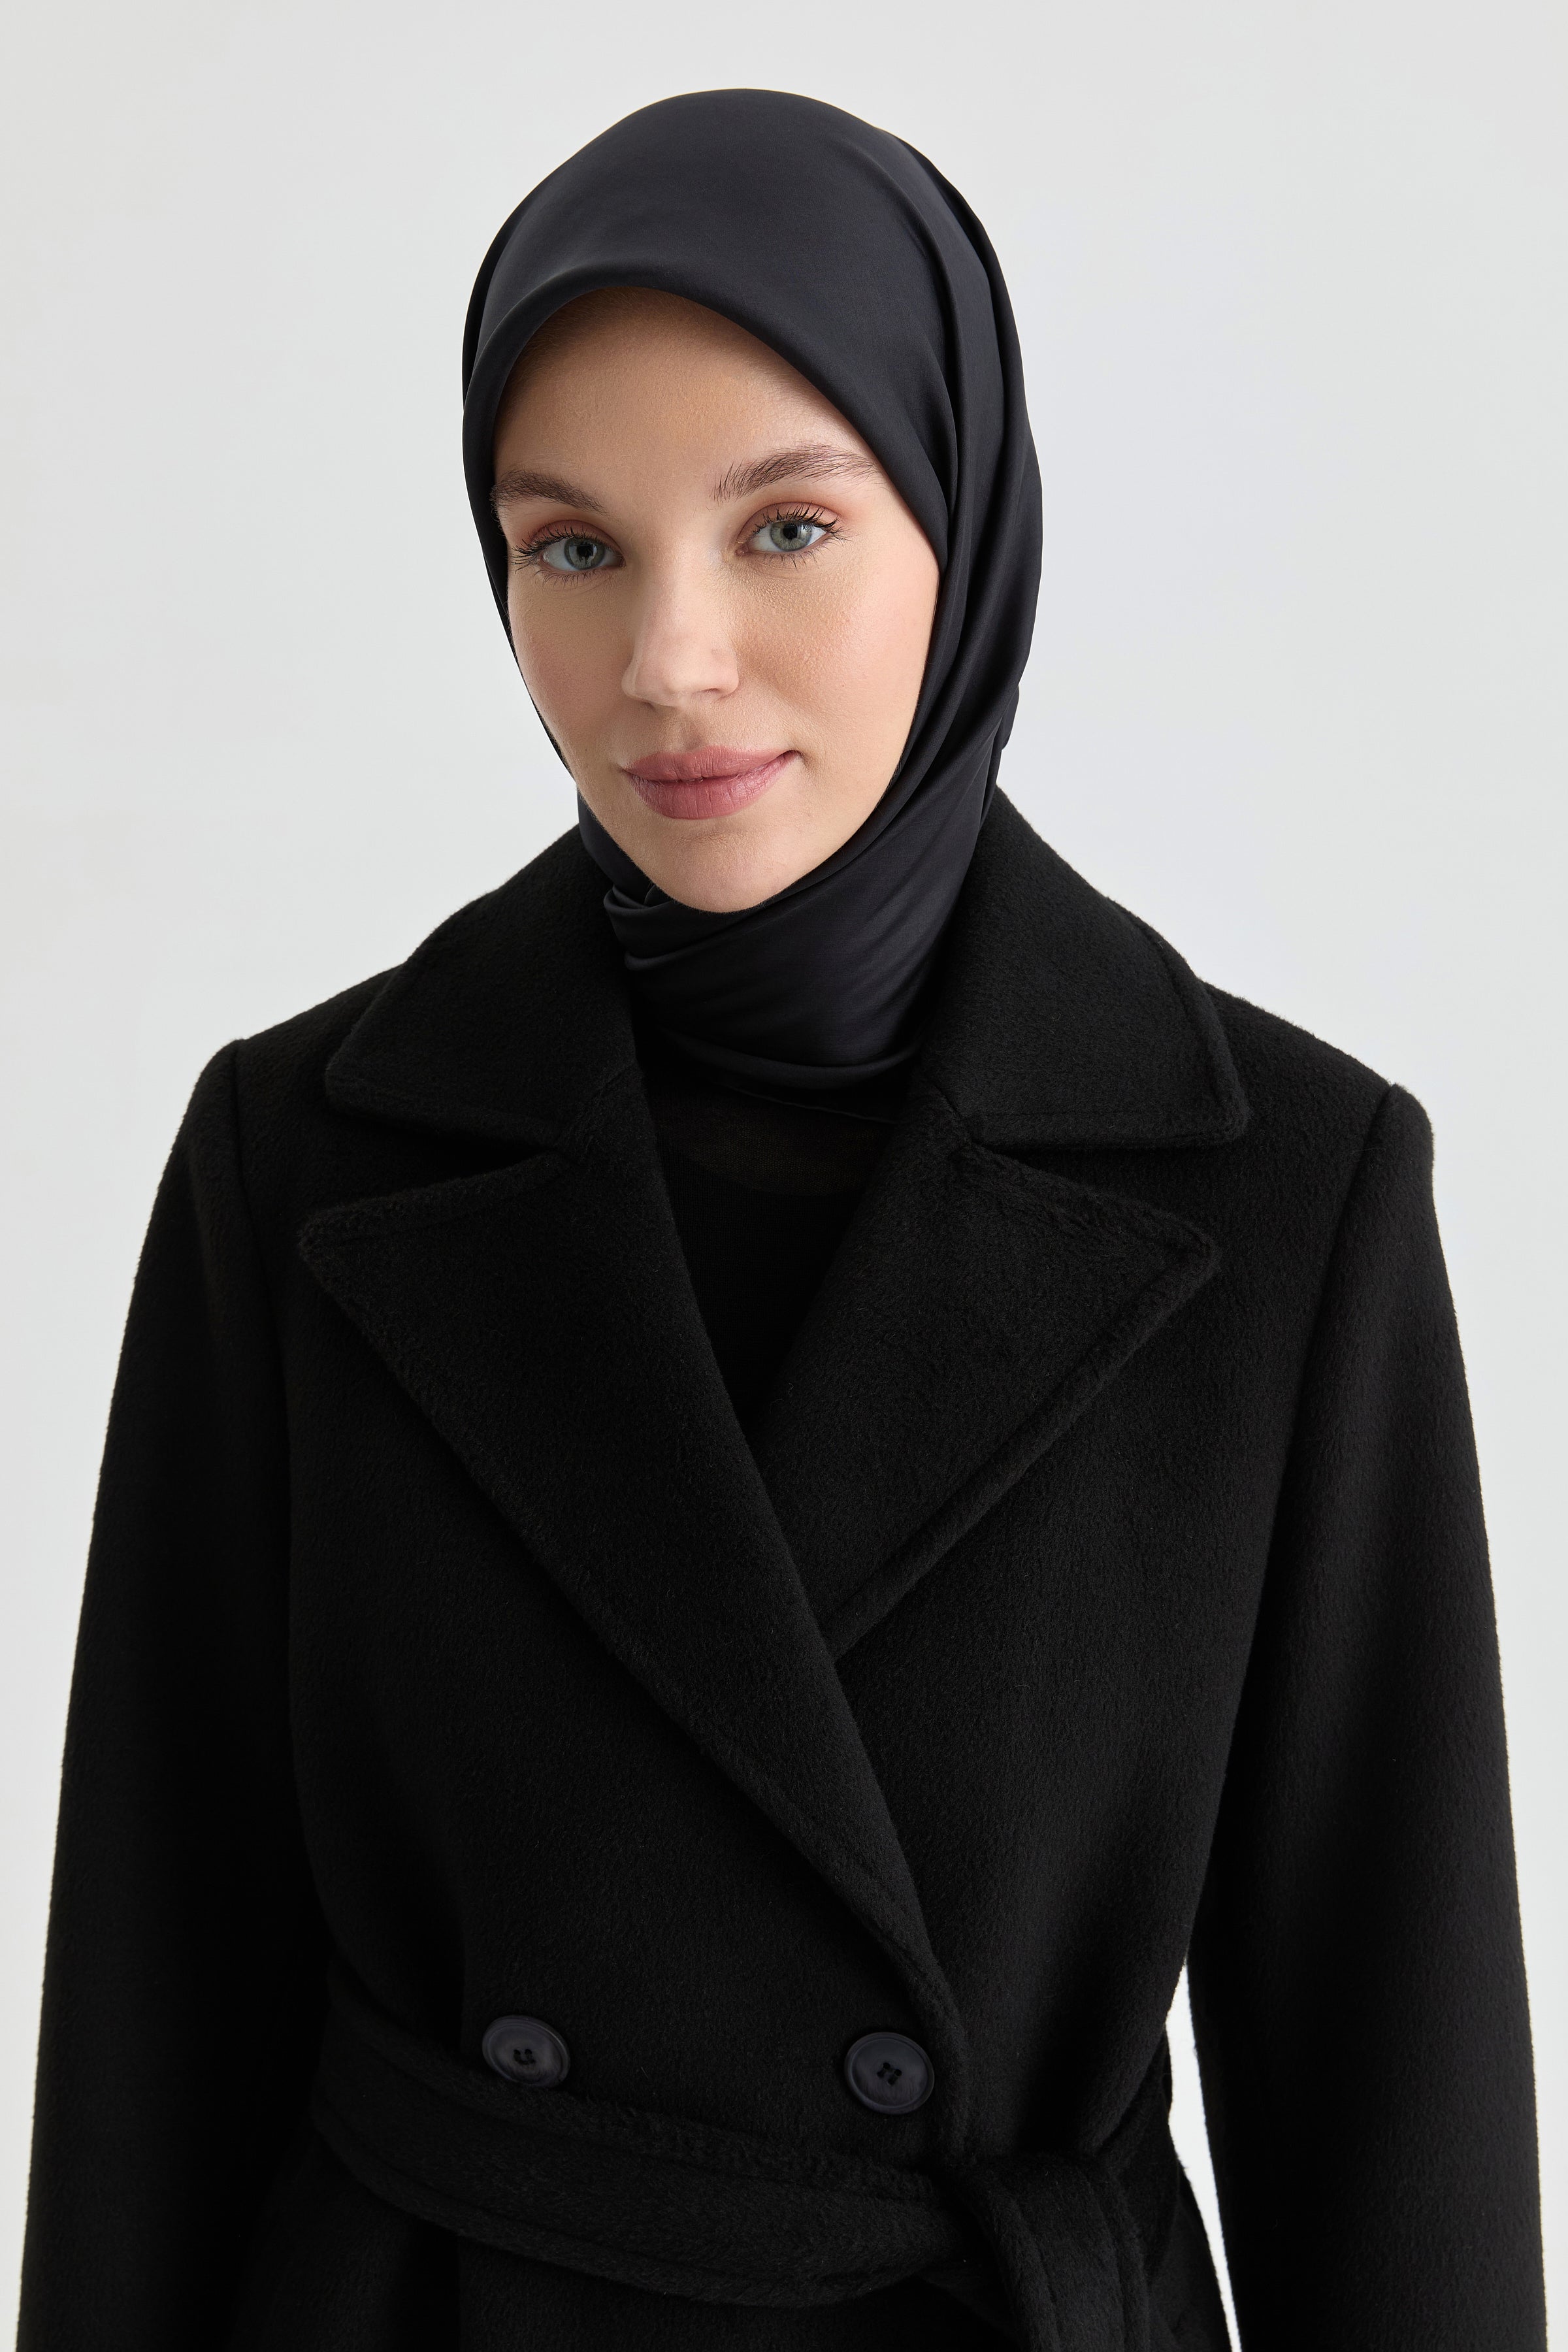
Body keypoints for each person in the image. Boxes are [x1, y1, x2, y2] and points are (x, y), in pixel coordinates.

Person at [16, 90, 1545, 2352]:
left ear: (964, 518)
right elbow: (154, 2031)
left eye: (788, 527)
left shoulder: (1288, 1189)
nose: (669, 660)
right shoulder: (305, 1159)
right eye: (572, 547)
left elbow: (1393, 2113)